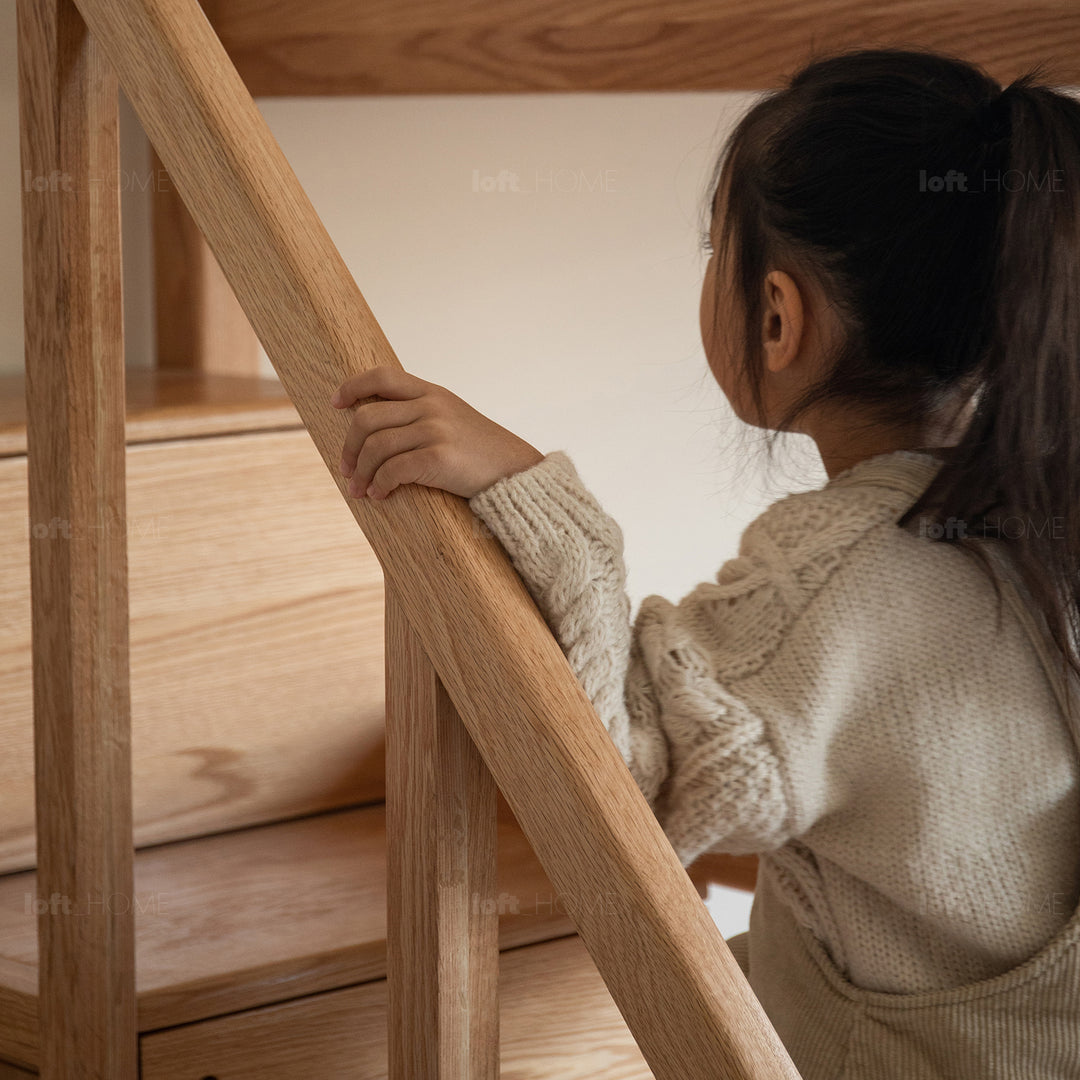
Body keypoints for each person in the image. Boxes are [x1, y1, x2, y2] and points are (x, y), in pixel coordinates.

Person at [330, 46, 1080, 1078]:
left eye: (712, 247)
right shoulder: (1050, 533)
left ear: (778, 320)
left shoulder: (837, 588)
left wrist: (549, 509)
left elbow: (618, 792)